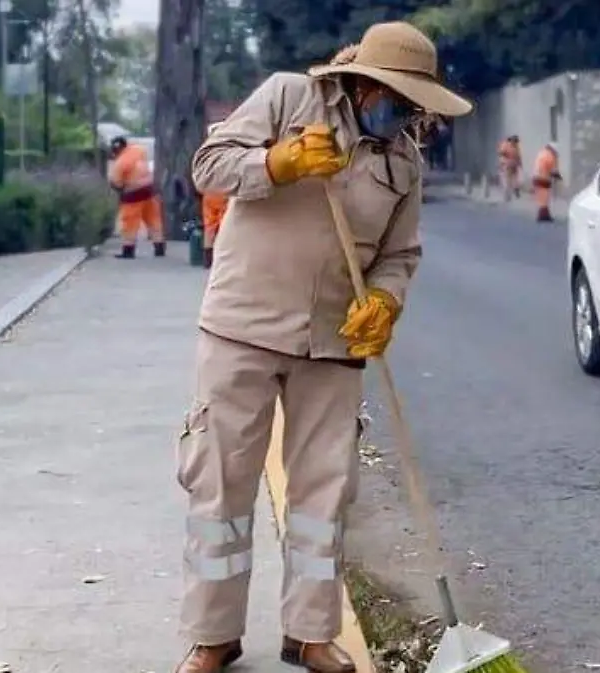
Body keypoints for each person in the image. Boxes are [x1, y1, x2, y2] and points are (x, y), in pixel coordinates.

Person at [179, 20, 472, 673]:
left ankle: (310, 633)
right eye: (400, 98)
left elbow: (400, 253)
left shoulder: (403, 162)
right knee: (221, 483)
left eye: (416, 104)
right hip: (242, 325)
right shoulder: (287, 100)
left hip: (334, 343)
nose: (408, 114)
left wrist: (387, 302)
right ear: (366, 84)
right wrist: (276, 164)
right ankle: (212, 635)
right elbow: (208, 166)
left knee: (323, 493)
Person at [108, 135, 165, 258]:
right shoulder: (139, 150)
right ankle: (159, 247)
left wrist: (120, 188)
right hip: (150, 191)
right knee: (154, 221)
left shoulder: (120, 163)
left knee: (130, 223)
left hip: (132, 196)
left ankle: (128, 250)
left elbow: (116, 182)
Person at [198, 123, 229, 269]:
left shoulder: (205, 150)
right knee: (225, 225)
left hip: (209, 193)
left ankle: (207, 260)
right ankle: (223, 259)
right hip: (224, 192)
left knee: (209, 226)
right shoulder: (227, 151)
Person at [532, 141, 562, 221]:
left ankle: (545, 215)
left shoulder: (542, 153)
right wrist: (558, 177)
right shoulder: (550, 156)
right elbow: (553, 171)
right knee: (545, 198)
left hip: (536, 177)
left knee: (541, 198)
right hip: (543, 178)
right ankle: (543, 216)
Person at [497, 135, 522, 200]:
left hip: (513, 165)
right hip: (507, 164)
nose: (516, 142)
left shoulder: (516, 146)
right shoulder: (505, 145)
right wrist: (503, 158)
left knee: (515, 179)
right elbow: (500, 153)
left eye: (516, 141)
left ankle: (515, 189)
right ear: (511, 140)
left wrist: (520, 163)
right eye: (515, 140)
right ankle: (508, 194)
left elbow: (518, 156)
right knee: (508, 180)